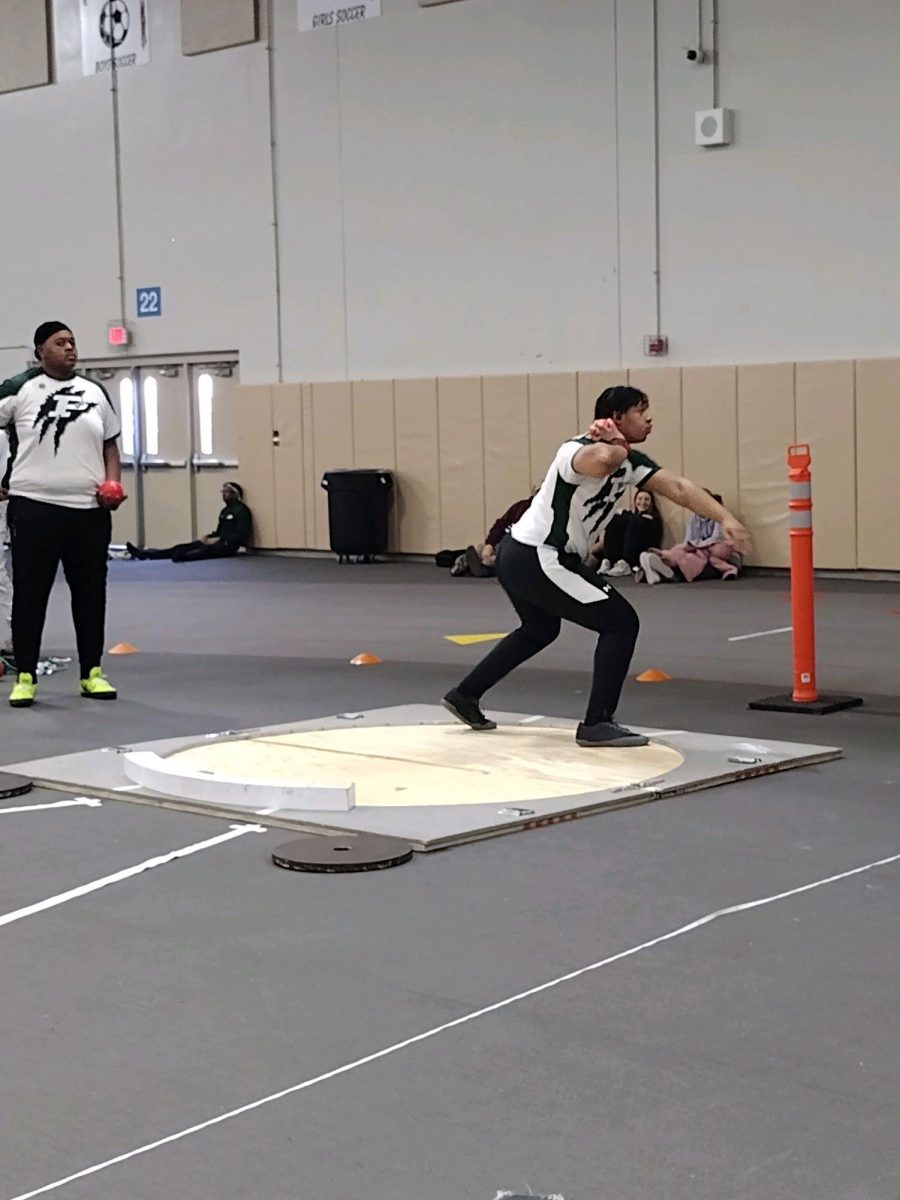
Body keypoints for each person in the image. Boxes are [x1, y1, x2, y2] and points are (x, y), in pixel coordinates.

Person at [441, 385, 750, 747]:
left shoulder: (631, 461)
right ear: (616, 418)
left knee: (539, 630)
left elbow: (679, 488)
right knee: (621, 622)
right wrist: (617, 444)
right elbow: (601, 461)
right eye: (640, 411)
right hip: (540, 554)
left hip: (527, 555)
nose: (649, 418)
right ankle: (596, 723)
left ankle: (465, 695)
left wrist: (725, 517)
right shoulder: (576, 450)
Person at [0, 321, 125, 708]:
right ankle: (25, 676)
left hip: (88, 511)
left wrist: (113, 485)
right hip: (33, 507)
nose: (70, 348)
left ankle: (92, 672)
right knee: (30, 593)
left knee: (90, 593)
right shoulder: (19, 388)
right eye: (60, 343)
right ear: (40, 351)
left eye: (73, 341)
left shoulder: (94, 391)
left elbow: (110, 447)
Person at [126, 482, 251, 561]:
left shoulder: (241, 511)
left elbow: (241, 534)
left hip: (228, 545)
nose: (224, 495)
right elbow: (219, 530)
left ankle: (182, 556)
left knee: (203, 552)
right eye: (223, 492)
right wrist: (209, 536)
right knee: (183, 547)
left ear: (235, 494)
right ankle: (147, 554)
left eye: (227, 492)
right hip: (218, 540)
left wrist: (220, 539)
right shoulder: (224, 511)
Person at [638, 491, 743, 584]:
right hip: (698, 549)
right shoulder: (693, 518)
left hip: (715, 552)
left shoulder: (720, 517)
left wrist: (695, 546)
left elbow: (716, 539)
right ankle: (662, 561)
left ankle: (663, 571)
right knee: (680, 551)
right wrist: (687, 547)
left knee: (691, 560)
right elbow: (688, 540)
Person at [452, 492, 535, 578]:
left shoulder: (542, 516)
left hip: (518, 553)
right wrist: (490, 544)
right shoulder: (520, 507)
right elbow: (499, 526)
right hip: (501, 546)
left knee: (512, 562)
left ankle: (478, 566)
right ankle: (474, 563)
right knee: (482, 549)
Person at [595, 488, 662, 577]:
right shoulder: (632, 517)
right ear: (635, 501)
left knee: (633, 522)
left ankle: (625, 564)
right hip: (625, 549)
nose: (642, 502)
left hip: (641, 552)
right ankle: (608, 560)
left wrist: (623, 512)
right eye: (640, 499)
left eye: (646, 499)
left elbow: (638, 521)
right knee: (615, 520)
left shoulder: (653, 519)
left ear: (651, 503)